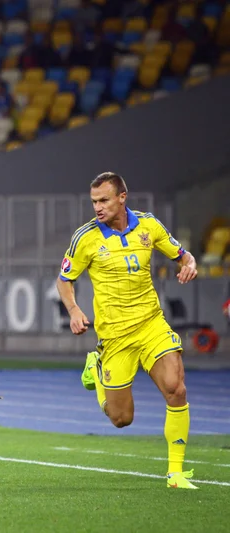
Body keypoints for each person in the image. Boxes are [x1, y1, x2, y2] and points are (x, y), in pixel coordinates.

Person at [56, 172, 199, 490]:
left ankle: (175, 474)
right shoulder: (86, 237)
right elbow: (64, 280)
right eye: (94, 201)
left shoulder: (149, 226)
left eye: (104, 200)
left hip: (151, 325)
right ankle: (96, 365)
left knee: (176, 389)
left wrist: (189, 263)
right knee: (122, 419)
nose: (98, 207)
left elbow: (182, 255)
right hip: (115, 337)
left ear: (123, 197)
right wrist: (75, 310)